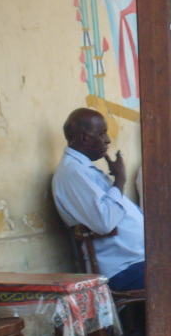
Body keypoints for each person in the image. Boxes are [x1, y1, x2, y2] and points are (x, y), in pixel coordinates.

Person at [53, 108, 146, 292]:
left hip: (136, 261)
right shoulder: (73, 173)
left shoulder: (83, 170)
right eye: (102, 133)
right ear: (84, 137)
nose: (107, 139)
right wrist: (120, 180)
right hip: (120, 269)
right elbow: (105, 223)